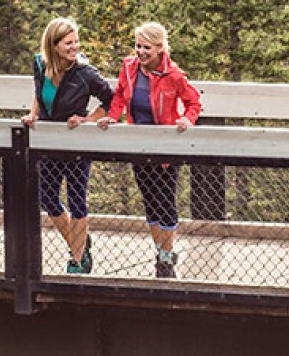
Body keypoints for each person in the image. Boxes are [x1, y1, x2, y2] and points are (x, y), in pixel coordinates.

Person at [99, 21, 203, 277]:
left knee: (165, 201)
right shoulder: (129, 67)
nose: (141, 52)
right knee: (149, 202)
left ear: (159, 48)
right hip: (139, 143)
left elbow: (193, 102)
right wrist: (113, 116)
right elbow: (121, 95)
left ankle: (165, 257)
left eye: (146, 47)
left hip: (166, 146)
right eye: (138, 46)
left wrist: (186, 120)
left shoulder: (174, 75)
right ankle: (161, 251)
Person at [22, 17, 114, 273]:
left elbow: (112, 101)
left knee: (77, 201)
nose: (74, 48)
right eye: (68, 43)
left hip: (76, 144)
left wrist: (87, 120)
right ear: (53, 45)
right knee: (48, 199)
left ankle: (77, 258)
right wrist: (34, 114)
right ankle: (80, 242)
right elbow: (39, 93)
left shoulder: (86, 73)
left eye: (76, 42)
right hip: (49, 144)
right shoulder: (40, 64)